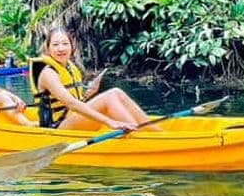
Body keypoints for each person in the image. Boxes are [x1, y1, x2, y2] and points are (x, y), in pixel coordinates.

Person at [29, 27, 158, 131]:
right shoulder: (47, 72)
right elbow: (71, 103)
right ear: (48, 48)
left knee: (116, 92)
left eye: (65, 44)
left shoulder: (69, 67)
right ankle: (140, 137)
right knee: (110, 96)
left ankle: (155, 132)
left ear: (72, 46)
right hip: (56, 127)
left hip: (71, 119)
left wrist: (89, 93)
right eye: (55, 45)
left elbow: (77, 101)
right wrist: (110, 122)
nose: (61, 48)